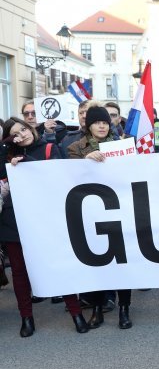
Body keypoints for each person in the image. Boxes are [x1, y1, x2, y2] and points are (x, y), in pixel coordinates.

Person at [0, 117, 89, 336]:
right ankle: (26, 318)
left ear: (31, 128)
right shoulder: (7, 156)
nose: (23, 134)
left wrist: (26, 162)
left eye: (24, 128)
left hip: (45, 219)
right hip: (14, 220)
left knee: (57, 264)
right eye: (16, 133)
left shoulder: (50, 148)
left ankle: (76, 312)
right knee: (19, 272)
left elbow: (57, 178)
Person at [67, 106, 133, 329]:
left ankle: (124, 309)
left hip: (122, 210)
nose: (102, 125)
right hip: (92, 212)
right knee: (97, 263)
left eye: (105, 122)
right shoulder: (75, 148)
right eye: (97, 122)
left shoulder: (123, 146)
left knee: (123, 262)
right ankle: (97, 308)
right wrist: (86, 160)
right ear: (89, 125)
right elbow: (68, 177)